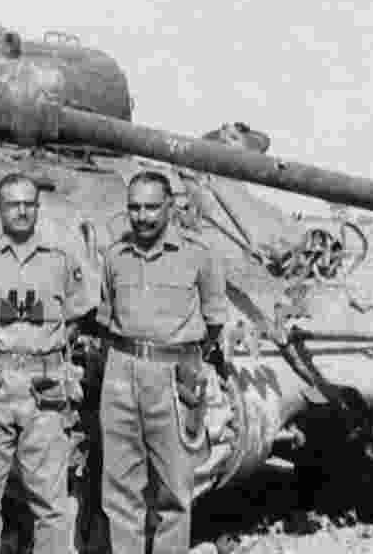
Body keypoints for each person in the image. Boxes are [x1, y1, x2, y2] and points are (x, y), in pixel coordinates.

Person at [0, 172, 96, 554]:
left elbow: (77, 316)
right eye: (13, 204)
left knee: (51, 505)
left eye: (29, 203)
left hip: (44, 394)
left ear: (38, 208)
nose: (22, 211)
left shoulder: (60, 260)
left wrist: (41, 353)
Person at [96, 170, 228, 553]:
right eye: (134, 207)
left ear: (170, 206)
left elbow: (214, 322)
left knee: (174, 491)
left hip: (173, 378)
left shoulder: (198, 255)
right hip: (120, 372)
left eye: (152, 207)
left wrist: (184, 364)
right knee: (120, 490)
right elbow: (106, 320)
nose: (143, 216)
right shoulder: (114, 257)